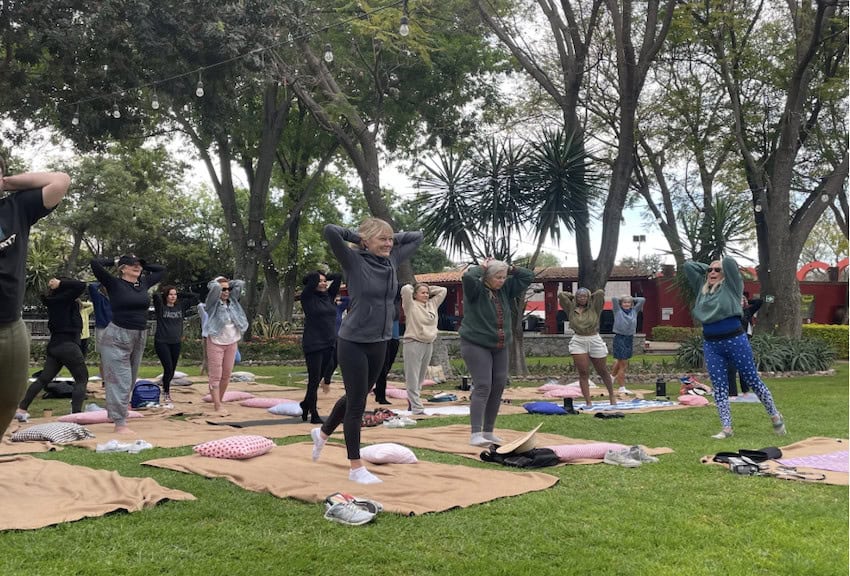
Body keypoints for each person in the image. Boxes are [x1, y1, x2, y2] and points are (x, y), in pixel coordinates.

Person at [310, 218, 423, 484]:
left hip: (380, 340)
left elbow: (417, 236)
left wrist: (387, 234)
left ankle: (323, 433)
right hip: (353, 341)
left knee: (356, 396)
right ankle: (355, 468)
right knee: (358, 404)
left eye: (390, 239)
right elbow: (329, 230)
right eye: (381, 239)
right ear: (366, 240)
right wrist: (357, 236)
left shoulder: (392, 259)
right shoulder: (353, 260)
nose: (388, 243)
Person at [0, 162, 70, 437]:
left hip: (10, 326)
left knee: (9, 399)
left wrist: (6, 183)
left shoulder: (16, 208)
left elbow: (60, 180)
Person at [684, 257, 785, 439]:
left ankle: (775, 416)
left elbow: (730, 263)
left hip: (735, 340)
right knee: (719, 386)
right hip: (712, 343)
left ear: (725, 274)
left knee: (753, 380)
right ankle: (727, 428)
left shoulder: (731, 286)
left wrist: (720, 265)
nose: (712, 273)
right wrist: (709, 267)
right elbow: (688, 266)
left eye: (717, 270)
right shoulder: (702, 287)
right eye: (710, 271)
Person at [459, 258, 534, 446]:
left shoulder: (505, 290)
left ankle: (488, 431)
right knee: (483, 385)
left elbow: (528, 276)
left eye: (503, 277)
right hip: (476, 343)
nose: (501, 281)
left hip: (500, 345)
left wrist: (511, 268)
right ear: (487, 276)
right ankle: (475, 434)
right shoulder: (475, 290)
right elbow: (468, 277)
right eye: (497, 277)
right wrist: (482, 267)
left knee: (498, 385)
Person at [91, 254, 165, 434]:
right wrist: (115, 260)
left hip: (139, 335)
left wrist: (143, 264)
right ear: (123, 268)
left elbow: (161, 270)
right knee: (120, 379)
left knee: (130, 379)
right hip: (117, 335)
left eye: (138, 265)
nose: (137, 267)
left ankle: (116, 412)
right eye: (132, 265)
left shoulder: (143, 284)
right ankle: (120, 423)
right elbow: (95, 263)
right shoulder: (114, 283)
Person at [16, 277, 89, 419]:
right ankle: (76, 413)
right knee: (81, 379)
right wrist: (61, 283)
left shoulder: (53, 301)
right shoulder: (65, 299)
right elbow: (81, 285)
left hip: (54, 346)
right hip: (68, 346)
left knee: (43, 379)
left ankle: (22, 408)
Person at [558, 288, 616, 407]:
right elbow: (561, 295)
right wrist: (573, 297)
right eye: (580, 296)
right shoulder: (571, 308)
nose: (582, 298)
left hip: (594, 338)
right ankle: (588, 401)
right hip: (578, 340)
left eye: (585, 296)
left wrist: (590, 295)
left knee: (602, 370)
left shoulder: (595, 307)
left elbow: (600, 293)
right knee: (583, 372)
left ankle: (611, 395)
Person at [298, 270, 342, 424]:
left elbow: (337, 276)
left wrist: (326, 275)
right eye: (320, 281)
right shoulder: (307, 297)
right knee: (314, 379)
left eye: (324, 281)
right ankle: (313, 412)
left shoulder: (328, 297)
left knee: (321, 377)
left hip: (329, 342)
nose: (323, 283)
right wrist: (315, 276)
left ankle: (305, 404)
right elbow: (311, 282)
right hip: (314, 343)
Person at [204, 276, 248, 415]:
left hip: (232, 341)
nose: (226, 292)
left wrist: (228, 283)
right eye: (223, 290)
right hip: (216, 341)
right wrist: (218, 284)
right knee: (215, 375)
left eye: (228, 289)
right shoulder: (212, 303)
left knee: (227, 374)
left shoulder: (233, 302)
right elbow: (215, 287)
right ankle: (217, 405)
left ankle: (219, 400)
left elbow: (240, 283)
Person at [401, 282, 447, 415]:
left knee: (420, 376)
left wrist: (427, 288)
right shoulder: (411, 304)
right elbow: (405, 289)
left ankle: (413, 400)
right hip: (413, 342)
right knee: (413, 376)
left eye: (427, 293)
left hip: (428, 343)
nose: (426, 295)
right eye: (423, 293)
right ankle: (417, 407)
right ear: (415, 294)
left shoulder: (432, 304)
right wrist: (417, 287)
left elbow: (443, 290)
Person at [153, 285, 197, 405]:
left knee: (172, 370)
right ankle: (166, 392)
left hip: (176, 342)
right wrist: (165, 293)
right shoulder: (161, 307)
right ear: (166, 296)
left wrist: (178, 293)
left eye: (175, 294)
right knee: (168, 368)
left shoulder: (180, 306)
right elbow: (155, 295)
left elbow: (194, 296)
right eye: (170, 294)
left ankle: (164, 385)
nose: (173, 296)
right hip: (162, 342)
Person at [727, 291, 763, 398]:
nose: (741, 302)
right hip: (731, 342)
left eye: (743, 300)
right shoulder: (731, 312)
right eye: (739, 300)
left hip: (743, 342)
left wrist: (747, 300)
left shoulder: (748, 311)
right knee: (731, 368)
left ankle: (745, 391)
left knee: (743, 368)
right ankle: (732, 393)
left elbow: (759, 302)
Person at [610, 294, 646, 395]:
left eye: (628, 303)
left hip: (629, 338)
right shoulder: (618, 311)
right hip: (620, 337)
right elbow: (614, 298)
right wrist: (623, 298)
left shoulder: (634, 311)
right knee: (623, 364)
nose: (626, 304)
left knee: (620, 361)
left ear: (631, 304)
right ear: (621, 304)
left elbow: (642, 300)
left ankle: (611, 377)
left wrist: (631, 299)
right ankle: (622, 387)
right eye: (624, 303)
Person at [372, 291, 401, 405]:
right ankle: (381, 395)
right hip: (382, 335)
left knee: (388, 364)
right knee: (382, 366)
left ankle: (378, 390)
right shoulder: (379, 298)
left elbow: (405, 287)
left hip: (394, 332)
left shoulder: (396, 296)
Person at [320, 294, 349, 394]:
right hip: (327, 339)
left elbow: (350, 300)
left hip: (338, 338)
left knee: (336, 362)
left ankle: (326, 380)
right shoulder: (324, 309)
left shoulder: (338, 308)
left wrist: (340, 298)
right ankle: (326, 382)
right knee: (330, 362)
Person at [87, 281, 112, 385]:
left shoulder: (118, 299)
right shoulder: (99, 298)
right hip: (102, 328)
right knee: (104, 356)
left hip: (116, 328)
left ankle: (114, 378)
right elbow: (91, 286)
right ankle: (104, 380)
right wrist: (103, 280)